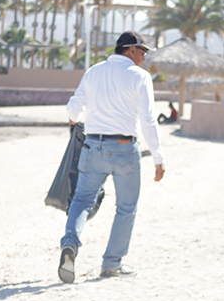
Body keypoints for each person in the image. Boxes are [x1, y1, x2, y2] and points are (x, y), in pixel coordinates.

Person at [58, 30, 166, 283]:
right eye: (143, 51)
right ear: (130, 50)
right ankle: (111, 263)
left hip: (92, 146)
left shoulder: (93, 71)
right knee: (126, 208)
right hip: (124, 149)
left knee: (82, 200)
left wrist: (75, 120)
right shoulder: (140, 77)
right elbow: (148, 119)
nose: (144, 56)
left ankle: (70, 245)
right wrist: (158, 157)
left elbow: (73, 109)